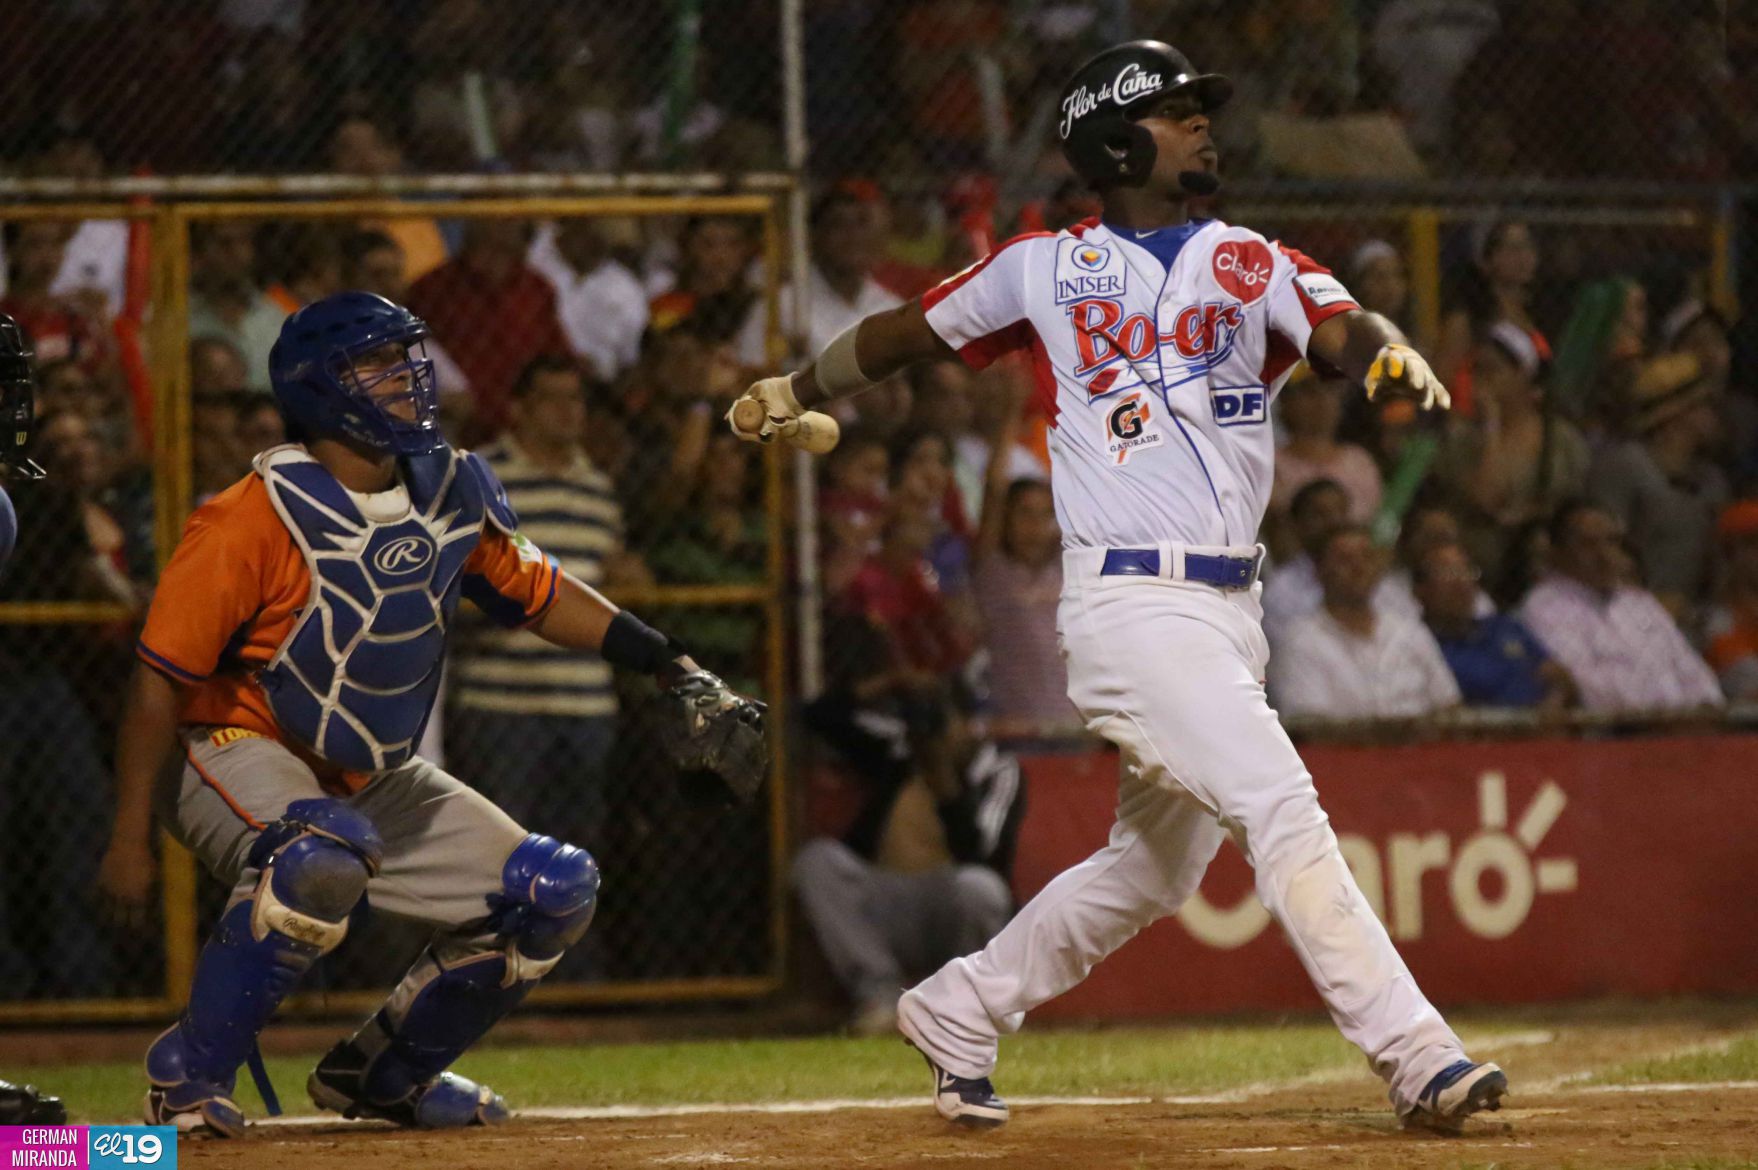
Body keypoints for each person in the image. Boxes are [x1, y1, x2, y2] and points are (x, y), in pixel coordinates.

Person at [726, 39, 1506, 1134]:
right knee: (1280, 806)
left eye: (1199, 110)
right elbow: (906, 332)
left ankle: (961, 1005)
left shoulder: (1255, 259)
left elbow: (1341, 328)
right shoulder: (1041, 266)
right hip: (1132, 606)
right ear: (1110, 138)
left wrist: (1381, 348)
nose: (1201, 125)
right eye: (1176, 111)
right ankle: (1416, 1052)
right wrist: (791, 387)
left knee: (1155, 866)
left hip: (1230, 611)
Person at [93, 292, 765, 1138]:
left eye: (409, 356)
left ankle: (385, 1075)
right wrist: (126, 837)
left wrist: (669, 661)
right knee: (320, 859)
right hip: (233, 743)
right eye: (378, 364)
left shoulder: (447, 486)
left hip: (368, 770)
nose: (411, 377)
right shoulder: (246, 517)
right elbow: (156, 681)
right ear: (320, 388)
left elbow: (541, 593)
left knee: (553, 890)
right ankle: (185, 1074)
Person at [449, 356, 638, 844]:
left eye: (576, 398)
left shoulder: (597, 488)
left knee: (578, 852)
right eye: (552, 399)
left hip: (585, 698)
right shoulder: (478, 476)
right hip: (501, 699)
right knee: (501, 849)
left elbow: (610, 572)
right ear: (519, 409)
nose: (568, 411)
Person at [1520, 501, 1723, 714]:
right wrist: (1666, 713)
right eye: (1588, 544)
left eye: (1612, 542)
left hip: (1685, 731)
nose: (1605, 555)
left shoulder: (1639, 603)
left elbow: (1691, 669)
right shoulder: (1544, 608)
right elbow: (1580, 683)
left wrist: (1706, 707)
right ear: (1557, 553)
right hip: (1613, 735)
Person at [1269, 525, 1461, 720]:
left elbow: (1449, 704)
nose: (1358, 568)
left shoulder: (1409, 630)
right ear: (1319, 571)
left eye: (1366, 557)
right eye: (1345, 560)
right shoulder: (1300, 641)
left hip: (1423, 748)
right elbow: (1308, 725)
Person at [1588, 353, 1728, 617]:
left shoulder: (1712, 481)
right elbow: (1598, 551)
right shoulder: (1624, 466)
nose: (1715, 412)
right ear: (1677, 412)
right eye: (1705, 403)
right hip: (1622, 615)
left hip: (1686, 620)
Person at [404, 219, 571, 437]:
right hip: (455, 427)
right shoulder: (432, 289)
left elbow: (557, 356)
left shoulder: (537, 288)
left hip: (526, 427)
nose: (508, 221)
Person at [1415, 541, 1575, 711]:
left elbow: (1559, 677)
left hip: (1544, 729)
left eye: (1466, 571)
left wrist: (1552, 704)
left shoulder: (1504, 627)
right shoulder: (1421, 645)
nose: (1460, 582)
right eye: (1446, 573)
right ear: (1419, 590)